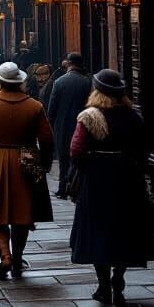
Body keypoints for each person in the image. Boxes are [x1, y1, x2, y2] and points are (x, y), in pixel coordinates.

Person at [69, 69, 154, 307]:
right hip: (128, 179)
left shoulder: (90, 116)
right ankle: (118, 279)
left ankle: (103, 286)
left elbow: (76, 150)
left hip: (97, 179)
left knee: (98, 231)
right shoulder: (133, 116)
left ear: (97, 91)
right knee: (124, 231)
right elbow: (144, 147)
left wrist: (90, 166)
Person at [0, 61, 54, 279]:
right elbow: (47, 139)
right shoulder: (34, 106)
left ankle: (5, 256)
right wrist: (44, 164)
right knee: (22, 214)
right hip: (25, 162)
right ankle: (17, 258)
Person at [47, 52, 92, 199]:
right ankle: (76, 187)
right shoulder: (88, 82)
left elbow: (52, 108)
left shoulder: (59, 82)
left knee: (63, 158)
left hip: (62, 126)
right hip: (82, 125)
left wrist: (51, 125)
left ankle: (62, 188)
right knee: (78, 158)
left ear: (69, 63)